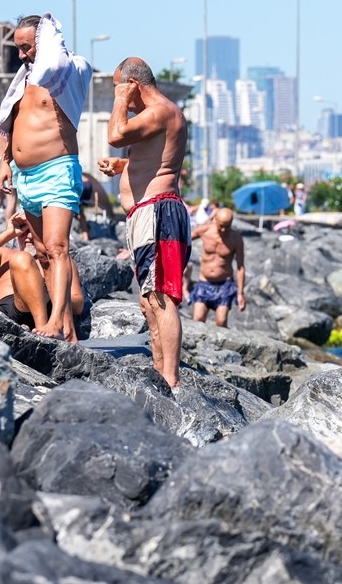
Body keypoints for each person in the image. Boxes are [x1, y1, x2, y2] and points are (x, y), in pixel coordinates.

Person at [0, 13, 91, 340]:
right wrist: (6, 162)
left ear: (44, 42)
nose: (21, 55)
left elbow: (57, 55)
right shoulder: (24, 81)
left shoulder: (66, 73)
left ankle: (56, 322)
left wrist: (48, 34)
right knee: (43, 253)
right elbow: (12, 125)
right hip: (26, 177)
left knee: (58, 247)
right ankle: (68, 329)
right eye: (17, 48)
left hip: (57, 170)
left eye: (27, 47)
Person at [107, 56, 190, 389]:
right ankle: (160, 370)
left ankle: (171, 377)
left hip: (159, 214)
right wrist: (122, 167)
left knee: (160, 296)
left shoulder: (160, 111)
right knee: (147, 302)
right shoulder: (156, 116)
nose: (118, 95)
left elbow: (116, 135)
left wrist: (119, 101)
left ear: (132, 85)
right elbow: (156, 160)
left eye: (118, 87)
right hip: (147, 215)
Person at [0, 211, 84, 340]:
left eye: (34, 231)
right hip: (4, 312)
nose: (28, 236)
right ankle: (42, 331)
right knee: (21, 258)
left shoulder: (58, 263)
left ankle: (42, 328)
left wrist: (50, 292)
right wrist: (8, 233)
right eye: (24, 231)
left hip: (46, 311)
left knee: (21, 259)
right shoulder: (6, 255)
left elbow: (78, 304)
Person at [189, 206, 246, 327]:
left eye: (227, 226)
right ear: (215, 219)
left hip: (224, 285)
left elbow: (240, 267)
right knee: (198, 319)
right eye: (221, 226)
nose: (224, 230)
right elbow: (183, 240)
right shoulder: (205, 230)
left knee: (221, 322)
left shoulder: (236, 239)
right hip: (204, 283)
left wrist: (240, 293)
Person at [77, 171, 117, 240]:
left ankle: (85, 236)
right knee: (80, 214)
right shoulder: (81, 175)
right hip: (86, 185)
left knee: (77, 213)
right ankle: (86, 236)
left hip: (82, 186)